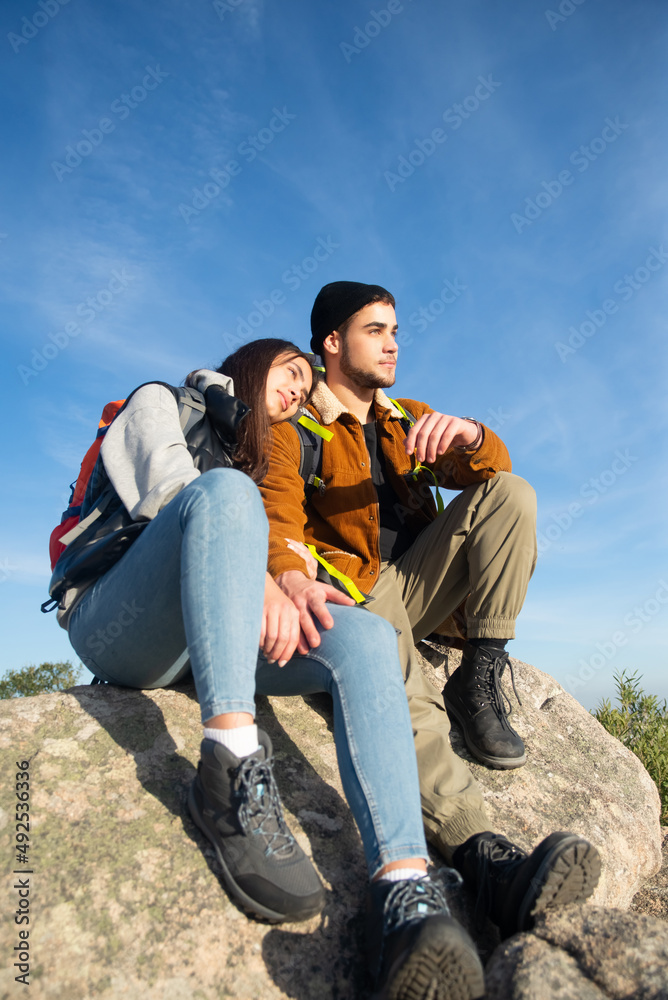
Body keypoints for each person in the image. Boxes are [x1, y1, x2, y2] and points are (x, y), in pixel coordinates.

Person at [48, 337, 491, 1000]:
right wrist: (258, 571)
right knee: (223, 493)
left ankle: (402, 894)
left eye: (305, 382)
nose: (296, 390)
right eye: (288, 373)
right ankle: (229, 771)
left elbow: (278, 541)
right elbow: (174, 492)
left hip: (209, 637)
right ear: (246, 368)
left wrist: (292, 582)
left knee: (365, 636)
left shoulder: (258, 457)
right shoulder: (161, 402)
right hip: (120, 618)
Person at [259, 285, 601, 923]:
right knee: (403, 688)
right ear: (332, 343)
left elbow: (491, 473)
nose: (393, 343)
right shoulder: (295, 426)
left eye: (396, 330)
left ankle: (480, 671)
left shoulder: (403, 417)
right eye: (375, 329)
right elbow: (276, 514)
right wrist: (291, 578)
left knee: (513, 494)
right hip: (357, 589)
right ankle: (481, 855)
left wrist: (472, 435)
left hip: (423, 587)